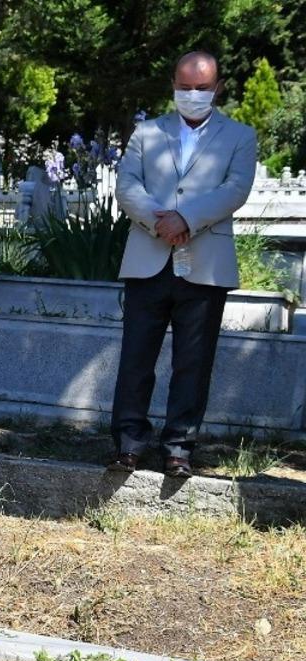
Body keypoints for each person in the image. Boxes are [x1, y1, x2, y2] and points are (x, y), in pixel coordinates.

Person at [109, 51, 257, 478]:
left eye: (202, 88)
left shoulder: (240, 136)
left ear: (218, 88)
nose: (192, 95)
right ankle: (128, 443)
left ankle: (179, 447)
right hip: (148, 259)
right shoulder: (146, 132)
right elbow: (127, 185)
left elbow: (236, 189)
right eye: (185, 87)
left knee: (194, 361)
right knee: (136, 357)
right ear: (173, 83)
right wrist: (162, 223)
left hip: (205, 263)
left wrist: (187, 219)